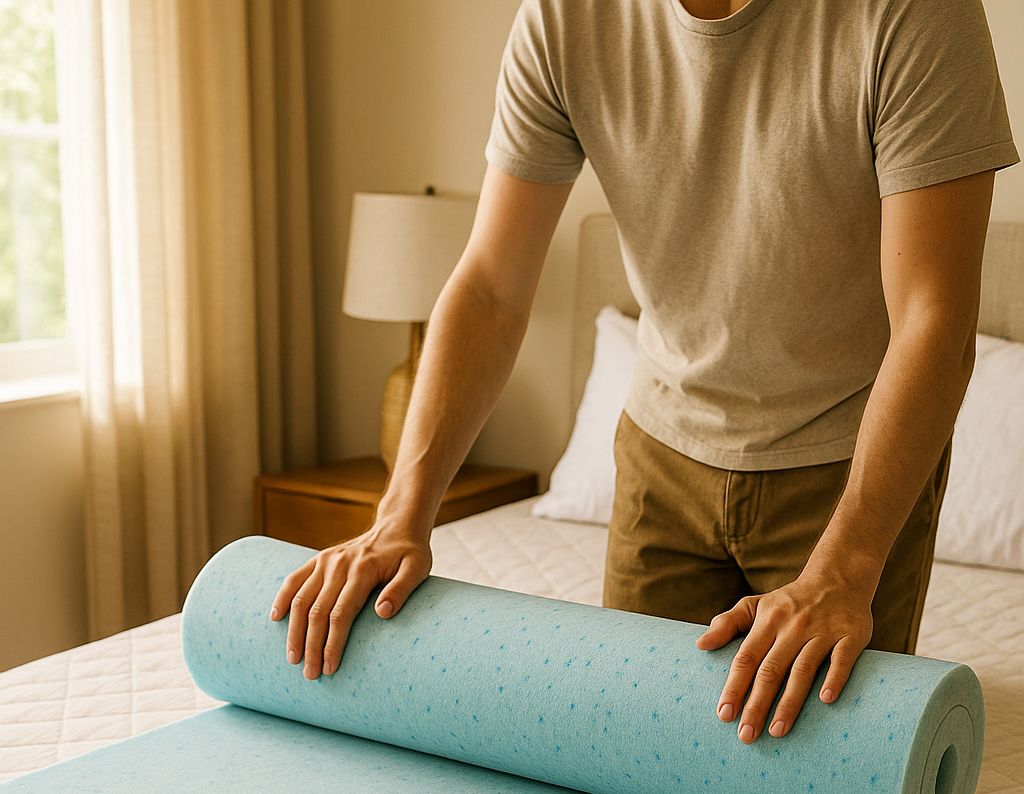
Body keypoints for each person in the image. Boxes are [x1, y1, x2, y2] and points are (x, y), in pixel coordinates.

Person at [272, 0, 1017, 744]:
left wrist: (845, 573)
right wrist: (401, 516)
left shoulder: (915, 12)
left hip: (848, 472)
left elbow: (934, 325)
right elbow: (492, 289)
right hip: (660, 464)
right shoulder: (563, 19)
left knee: (819, 780)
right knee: (629, 754)